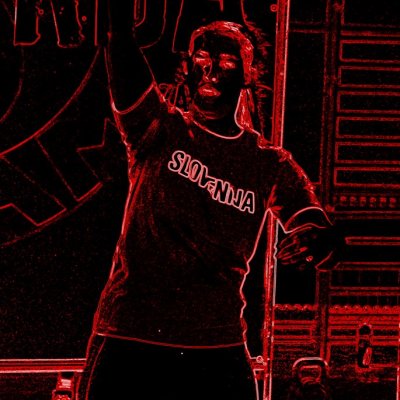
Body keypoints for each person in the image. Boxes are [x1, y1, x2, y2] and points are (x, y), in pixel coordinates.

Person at [77, 1, 336, 399]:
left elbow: (315, 226)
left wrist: (321, 240)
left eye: (226, 63)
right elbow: (121, 46)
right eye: (201, 59)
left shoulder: (267, 163)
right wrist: (118, 19)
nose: (211, 71)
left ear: (247, 76)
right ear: (188, 68)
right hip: (132, 334)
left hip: (216, 344)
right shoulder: (158, 127)